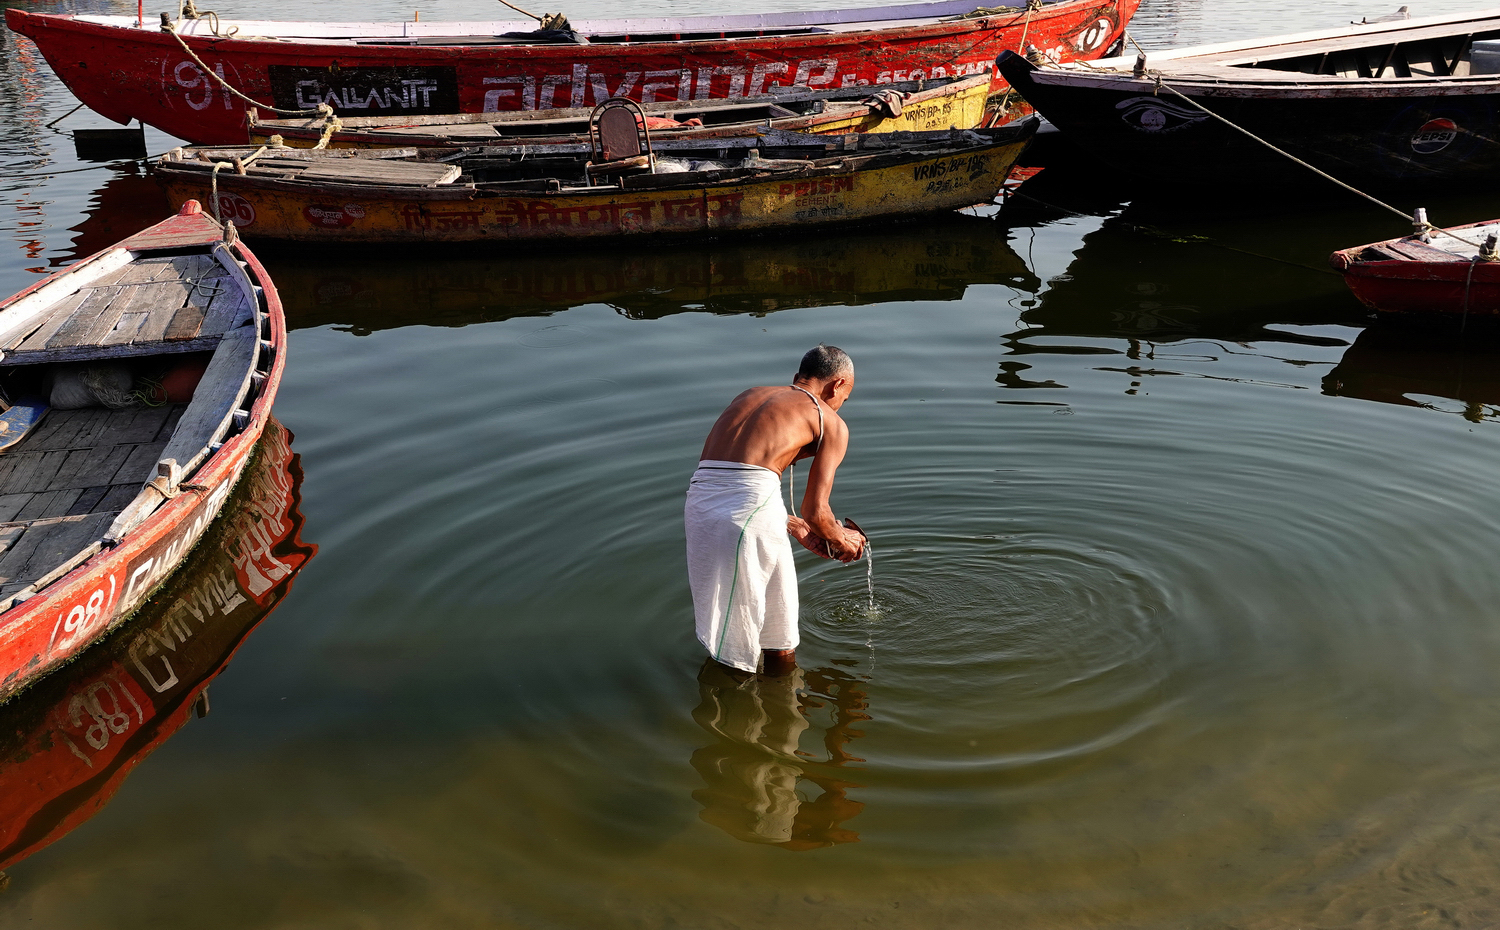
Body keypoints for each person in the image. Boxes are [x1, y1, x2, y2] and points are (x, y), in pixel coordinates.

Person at [685, 345, 866, 675]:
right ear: (838, 384)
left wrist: (789, 524)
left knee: (760, 629)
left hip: (700, 503)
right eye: (845, 398)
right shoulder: (830, 421)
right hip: (751, 510)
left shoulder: (750, 395)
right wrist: (846, 540)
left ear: (798, 378)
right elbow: (817, 512)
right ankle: (764, 711)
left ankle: (756, 704)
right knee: (758, 645)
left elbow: (726, 479)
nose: (841, 406)